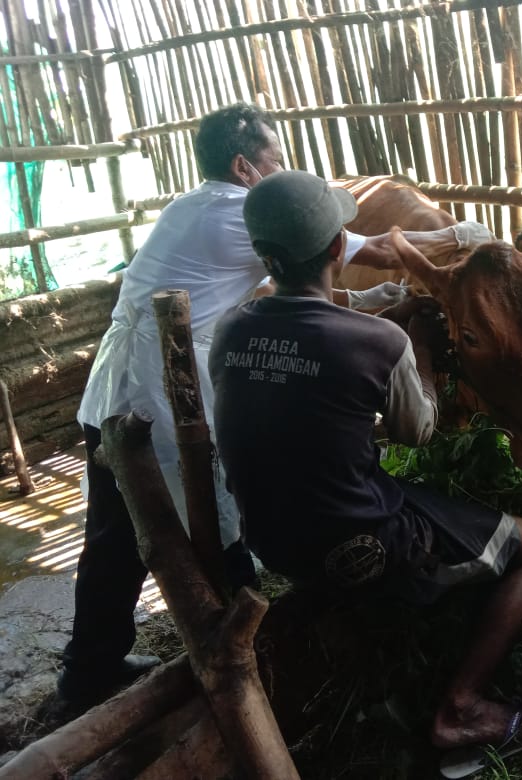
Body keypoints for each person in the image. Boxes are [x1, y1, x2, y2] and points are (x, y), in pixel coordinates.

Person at [60, 103, 496, 705]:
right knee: (217, 523)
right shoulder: (243, 214)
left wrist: (364, 300)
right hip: (161, 391)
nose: (283, 169)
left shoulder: (194, 207)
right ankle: (248, 672)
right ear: (244, 167)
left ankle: (88, 669)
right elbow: (360, 247)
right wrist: (455, 237)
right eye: (276, 159)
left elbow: (280, 288)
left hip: (117, 385)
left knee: (114, 534)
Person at [207, 170, 522, 751]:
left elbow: (303, 376)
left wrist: (372, 305)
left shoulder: (230, 328)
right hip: (362, 545)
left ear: (263, 255)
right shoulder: (378, 342)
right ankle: (460, 707)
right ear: (337, 248)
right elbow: (419, 432)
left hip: (268, 542)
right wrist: (415, 346)